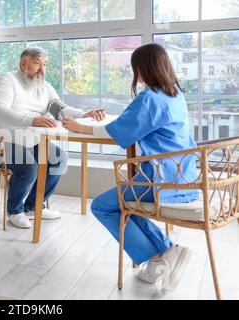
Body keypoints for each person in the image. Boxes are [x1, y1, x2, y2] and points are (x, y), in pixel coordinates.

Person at [62, 43, 196, 295]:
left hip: (158, 181)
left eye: (135, 68)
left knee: (102, 206)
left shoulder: (149, 98)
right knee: (125, 204)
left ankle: (161, 253)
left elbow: (120, 132)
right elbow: (133, 125)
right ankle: (163, 253)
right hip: (183, 177)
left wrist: (80, 127)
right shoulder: (176, 95)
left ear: (144, 68)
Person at [0, 47, 105, 229]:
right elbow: (0, 112)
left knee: (59, 160)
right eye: (37, 63)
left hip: (29, 140)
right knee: (29, 166)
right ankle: (15, 211)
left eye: (44, 64)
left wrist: (84, 114)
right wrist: (32, 120)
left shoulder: (44, 87)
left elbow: (58, 108)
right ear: (23, 64)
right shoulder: (6, 80)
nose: (42, 68)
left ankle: (32, 206)